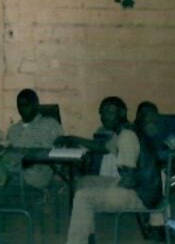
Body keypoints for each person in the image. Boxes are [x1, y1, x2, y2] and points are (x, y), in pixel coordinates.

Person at [59, 97, 164, 244]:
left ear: (122, 112)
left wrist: (106, 190)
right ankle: (88, 237)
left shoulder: (127, 136)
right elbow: (101, 147)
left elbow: (129, 180)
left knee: (84, 197)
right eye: (102, 113)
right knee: (83, 182)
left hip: (141, 196)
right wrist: (73, 139)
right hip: (144, 188)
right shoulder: (125, 130)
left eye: (109, 112)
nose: (104, 117)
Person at [0, 89, 64, 190]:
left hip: (38, 169)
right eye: (19, 106)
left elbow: (61, 151)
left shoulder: (50, 125)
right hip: (14, 167)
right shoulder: (13, 129)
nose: (22, 109)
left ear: (36, 105)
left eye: (26, 105)